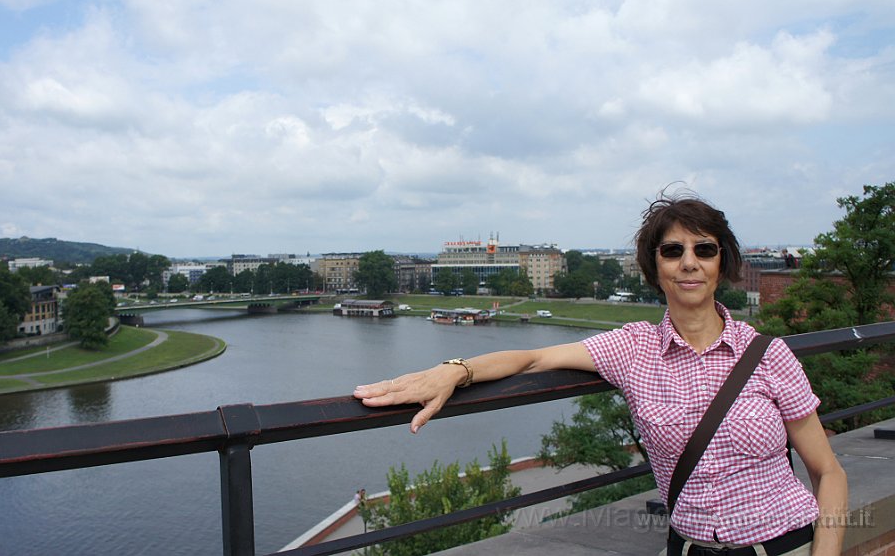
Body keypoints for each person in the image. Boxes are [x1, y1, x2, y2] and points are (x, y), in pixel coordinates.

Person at [354, 195, 847, 556]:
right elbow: (532, 360)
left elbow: (828, 472)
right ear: (654, 268)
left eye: (705, 249)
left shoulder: (768, 355)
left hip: (788, 544)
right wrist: (454, 371)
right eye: (673, 251)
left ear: (723, 263)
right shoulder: (633, 348)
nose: (689, 263)